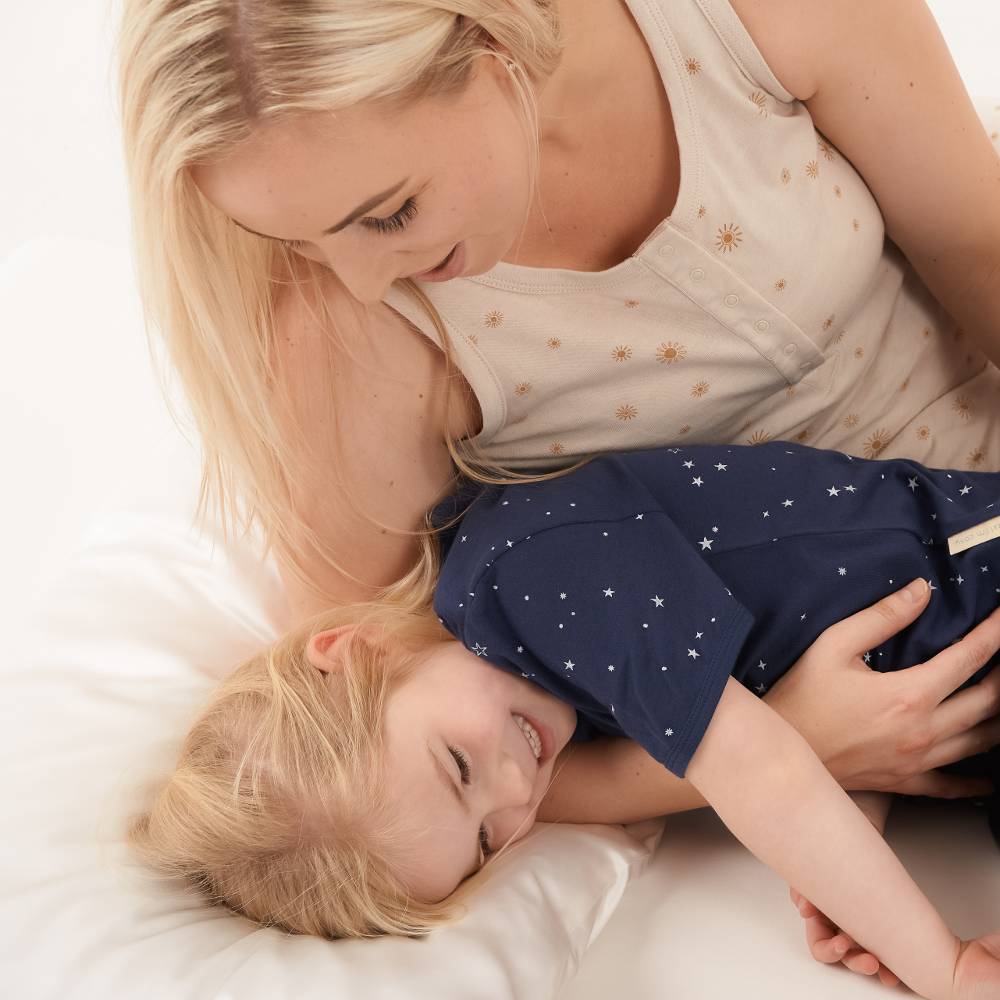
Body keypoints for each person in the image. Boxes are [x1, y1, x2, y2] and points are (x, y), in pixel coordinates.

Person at [115, 0, 1000, 983]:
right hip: (918, 667)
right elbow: (377, 756)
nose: (362, 280)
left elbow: (983, 251)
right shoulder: (342, 335)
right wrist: (798, 755)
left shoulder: (745, 22)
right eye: (305, 241)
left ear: (489, 44)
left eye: (388, 212)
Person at [129, 439, 1000, 996]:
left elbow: (762, 766)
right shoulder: (552, 688)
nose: (519, 794)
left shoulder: (529, 579)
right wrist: (851, 864)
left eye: (458, 769)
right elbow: (800, 691)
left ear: (358, 651)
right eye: (484, 843)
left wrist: (942, 965)